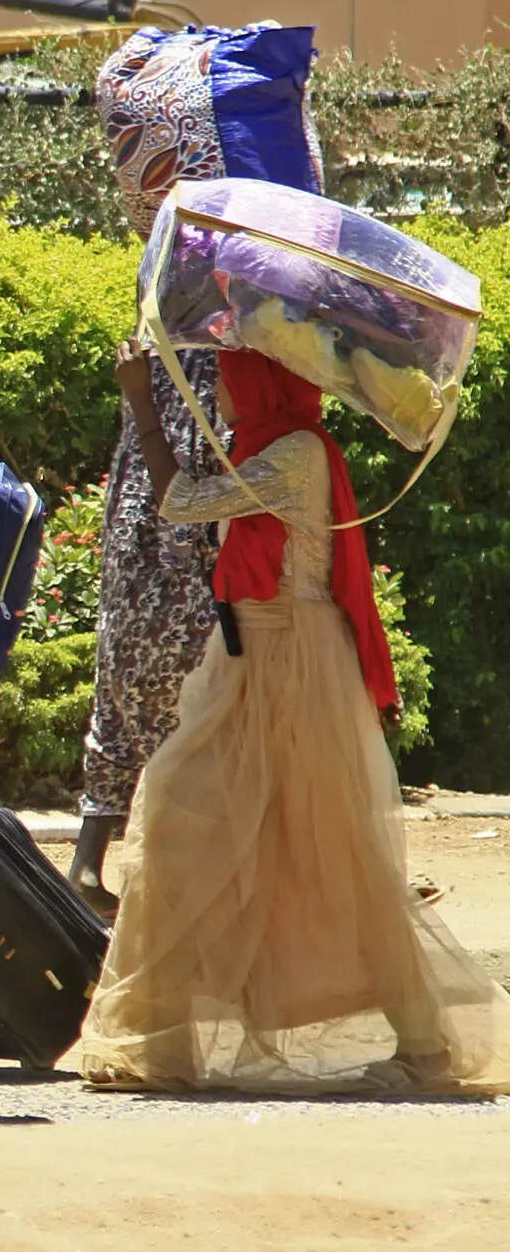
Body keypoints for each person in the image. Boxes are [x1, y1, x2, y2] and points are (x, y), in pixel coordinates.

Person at [80, 345, 510, 1094]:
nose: (228, 392)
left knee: (340, 858)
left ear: (267, 382)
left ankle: (426, 1046)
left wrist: (142, 403)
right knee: (187, 832)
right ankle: (155, 1043)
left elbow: (181, 500)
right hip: (249, 660)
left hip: (294, 667)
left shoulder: (297, 452)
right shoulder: (261, 446)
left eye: (239, 378)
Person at [70, 351, 224, 918]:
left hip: (132, 549)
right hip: (172, 558)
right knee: (178, 719)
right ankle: (168, 890)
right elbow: (185, 490)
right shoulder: (209, 370)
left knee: (116, 697)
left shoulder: (155, 353)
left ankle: (89, 860)